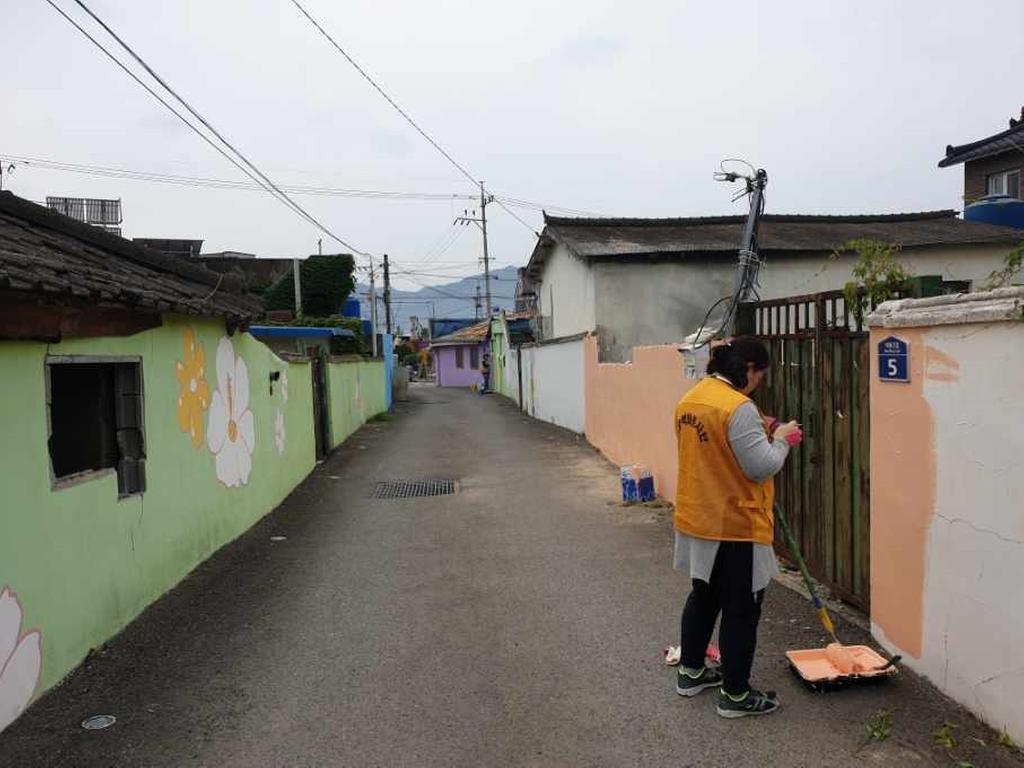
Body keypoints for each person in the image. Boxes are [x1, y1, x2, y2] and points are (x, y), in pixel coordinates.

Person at [672, 336, 801, 718]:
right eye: (760, 375)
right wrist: (782, 440)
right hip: (735, 523)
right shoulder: (739, 407)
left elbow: (715, 445)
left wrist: (760, 424)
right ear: (748, 369)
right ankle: (736, 695)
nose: (759, 382)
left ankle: (691, 671)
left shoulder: (692, 399)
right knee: (741, 609)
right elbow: (760, 465)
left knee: (704, 598)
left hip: (698, 517)